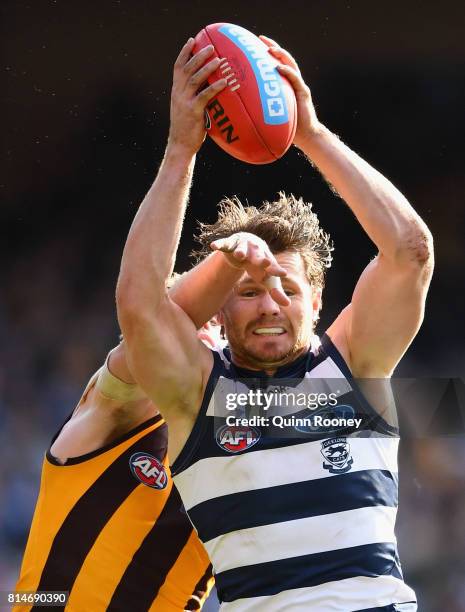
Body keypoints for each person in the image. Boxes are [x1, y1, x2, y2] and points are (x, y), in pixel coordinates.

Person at [116, 36, 434, 611]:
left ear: (317, 302)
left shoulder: (355, 366)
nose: (270, 305)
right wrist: (180, 149)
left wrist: (309, 132)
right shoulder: (195, 394)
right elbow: (139, 307)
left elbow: (410, 251)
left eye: (288, 289)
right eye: (249, 292)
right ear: (218, 310)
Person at [15, 236, 288, 612]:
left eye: (214, 325)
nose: (202, 338)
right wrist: (232, 263)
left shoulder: (239, 449)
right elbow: (149, 324)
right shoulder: (112, 410)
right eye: (195, 322)